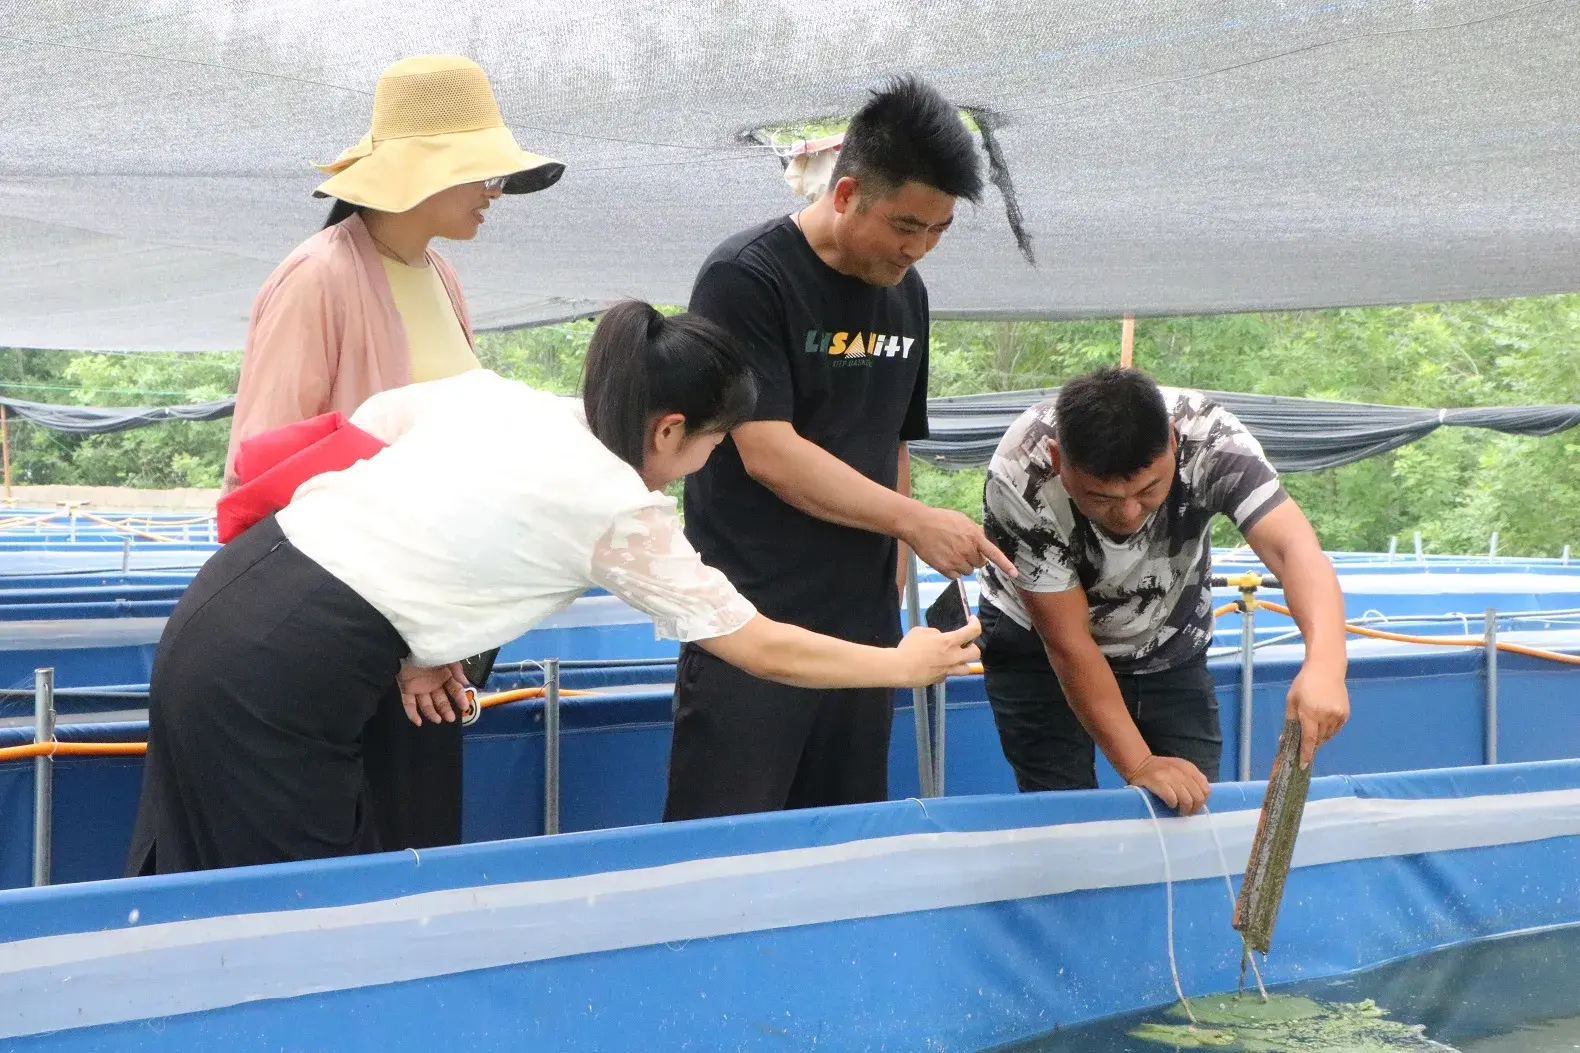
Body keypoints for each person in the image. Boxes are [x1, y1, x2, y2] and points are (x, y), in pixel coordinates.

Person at [125, 302, 982, 876]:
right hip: (280, 680)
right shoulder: (620, 507)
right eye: (716, 441)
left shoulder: (504, 401)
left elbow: (363, 446)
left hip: (227, 607)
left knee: (198, 881)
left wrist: (420, 643)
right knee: (300, 917)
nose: (714, 459)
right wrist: (901, 664)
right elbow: (758, 645)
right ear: (671, 428)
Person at [222, 54, 564, 854]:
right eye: (482, 171)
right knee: (354, 856)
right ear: (418, 175)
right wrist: (399, 641)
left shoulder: (440, 276)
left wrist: (434, 639)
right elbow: (263, 474)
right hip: (347, 638)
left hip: (430, 641)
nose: (495, 191)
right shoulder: (317, 279)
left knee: (418, 843)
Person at [663, 76, 1016, 823]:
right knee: (728, 840)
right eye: (906, 225)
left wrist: (891, 582)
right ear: (848, 191)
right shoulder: (748, 277)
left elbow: (891, 438)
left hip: (862, 633)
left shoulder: (906, 294)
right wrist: (913, 523)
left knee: (842, 837)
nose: (918, 248)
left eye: (939, 230)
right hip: (750, 619)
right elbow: (767, 450)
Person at [976, 367, 1351, 816]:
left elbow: (1295, 550)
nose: (1129, 514)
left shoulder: (1214, 441)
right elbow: (1068, 644)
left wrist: (1326, 665)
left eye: (1149, 489)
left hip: (1168, 633)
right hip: (1038, 647)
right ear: (1059, 461)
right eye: (1102, 499)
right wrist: (1140, 763)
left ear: (1174, 442)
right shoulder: (1020, 472)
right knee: (1062, 813)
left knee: (1192, 801)